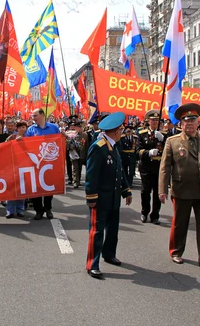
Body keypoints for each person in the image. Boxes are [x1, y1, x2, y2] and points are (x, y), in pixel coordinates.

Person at [159, 103, 200, 269]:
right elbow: (165, 167)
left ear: (198, 123)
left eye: (193, 120)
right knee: (180, 223)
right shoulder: (172, 142)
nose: (189, 124)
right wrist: (162, 189)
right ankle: (176, 252)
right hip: (182, 190)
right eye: (186, 121)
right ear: (181, 124)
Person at [85, 112, 132, 279]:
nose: (122, 132)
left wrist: (126, 190)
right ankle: (93, 264)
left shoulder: (113, 145)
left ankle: (109, 254)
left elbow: (119, 170)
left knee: (112, 230)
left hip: (113, 197)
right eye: (121, 130)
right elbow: (91, 175)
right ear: (116, 131)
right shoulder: (98, 147)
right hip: (101, 198)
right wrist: (91, 198)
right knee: (97, 232)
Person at [24, 108, 61, 220]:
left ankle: (48, 208)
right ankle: (38, 210)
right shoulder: (31, 130)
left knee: (49, 187)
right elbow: (26, 145)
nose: (33, 118)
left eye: (35, 115)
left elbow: (59, 143)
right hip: (36, 164)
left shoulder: (54, 128)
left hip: (50, 163)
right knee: (36, 188)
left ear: (42, 115)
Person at [136, 109, 167, 224]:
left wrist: (163, 140)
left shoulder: (164, 135)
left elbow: (169, 151)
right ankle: (144, 212)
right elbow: (137, 151)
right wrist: (148, 152)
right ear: (148, 121)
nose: (154, 122)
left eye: (157, 120)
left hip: (159, 168)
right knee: (145, 191)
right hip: (146, 168)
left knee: (157, 193)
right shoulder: (142, 133)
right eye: (152, 120)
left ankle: (155, 215)